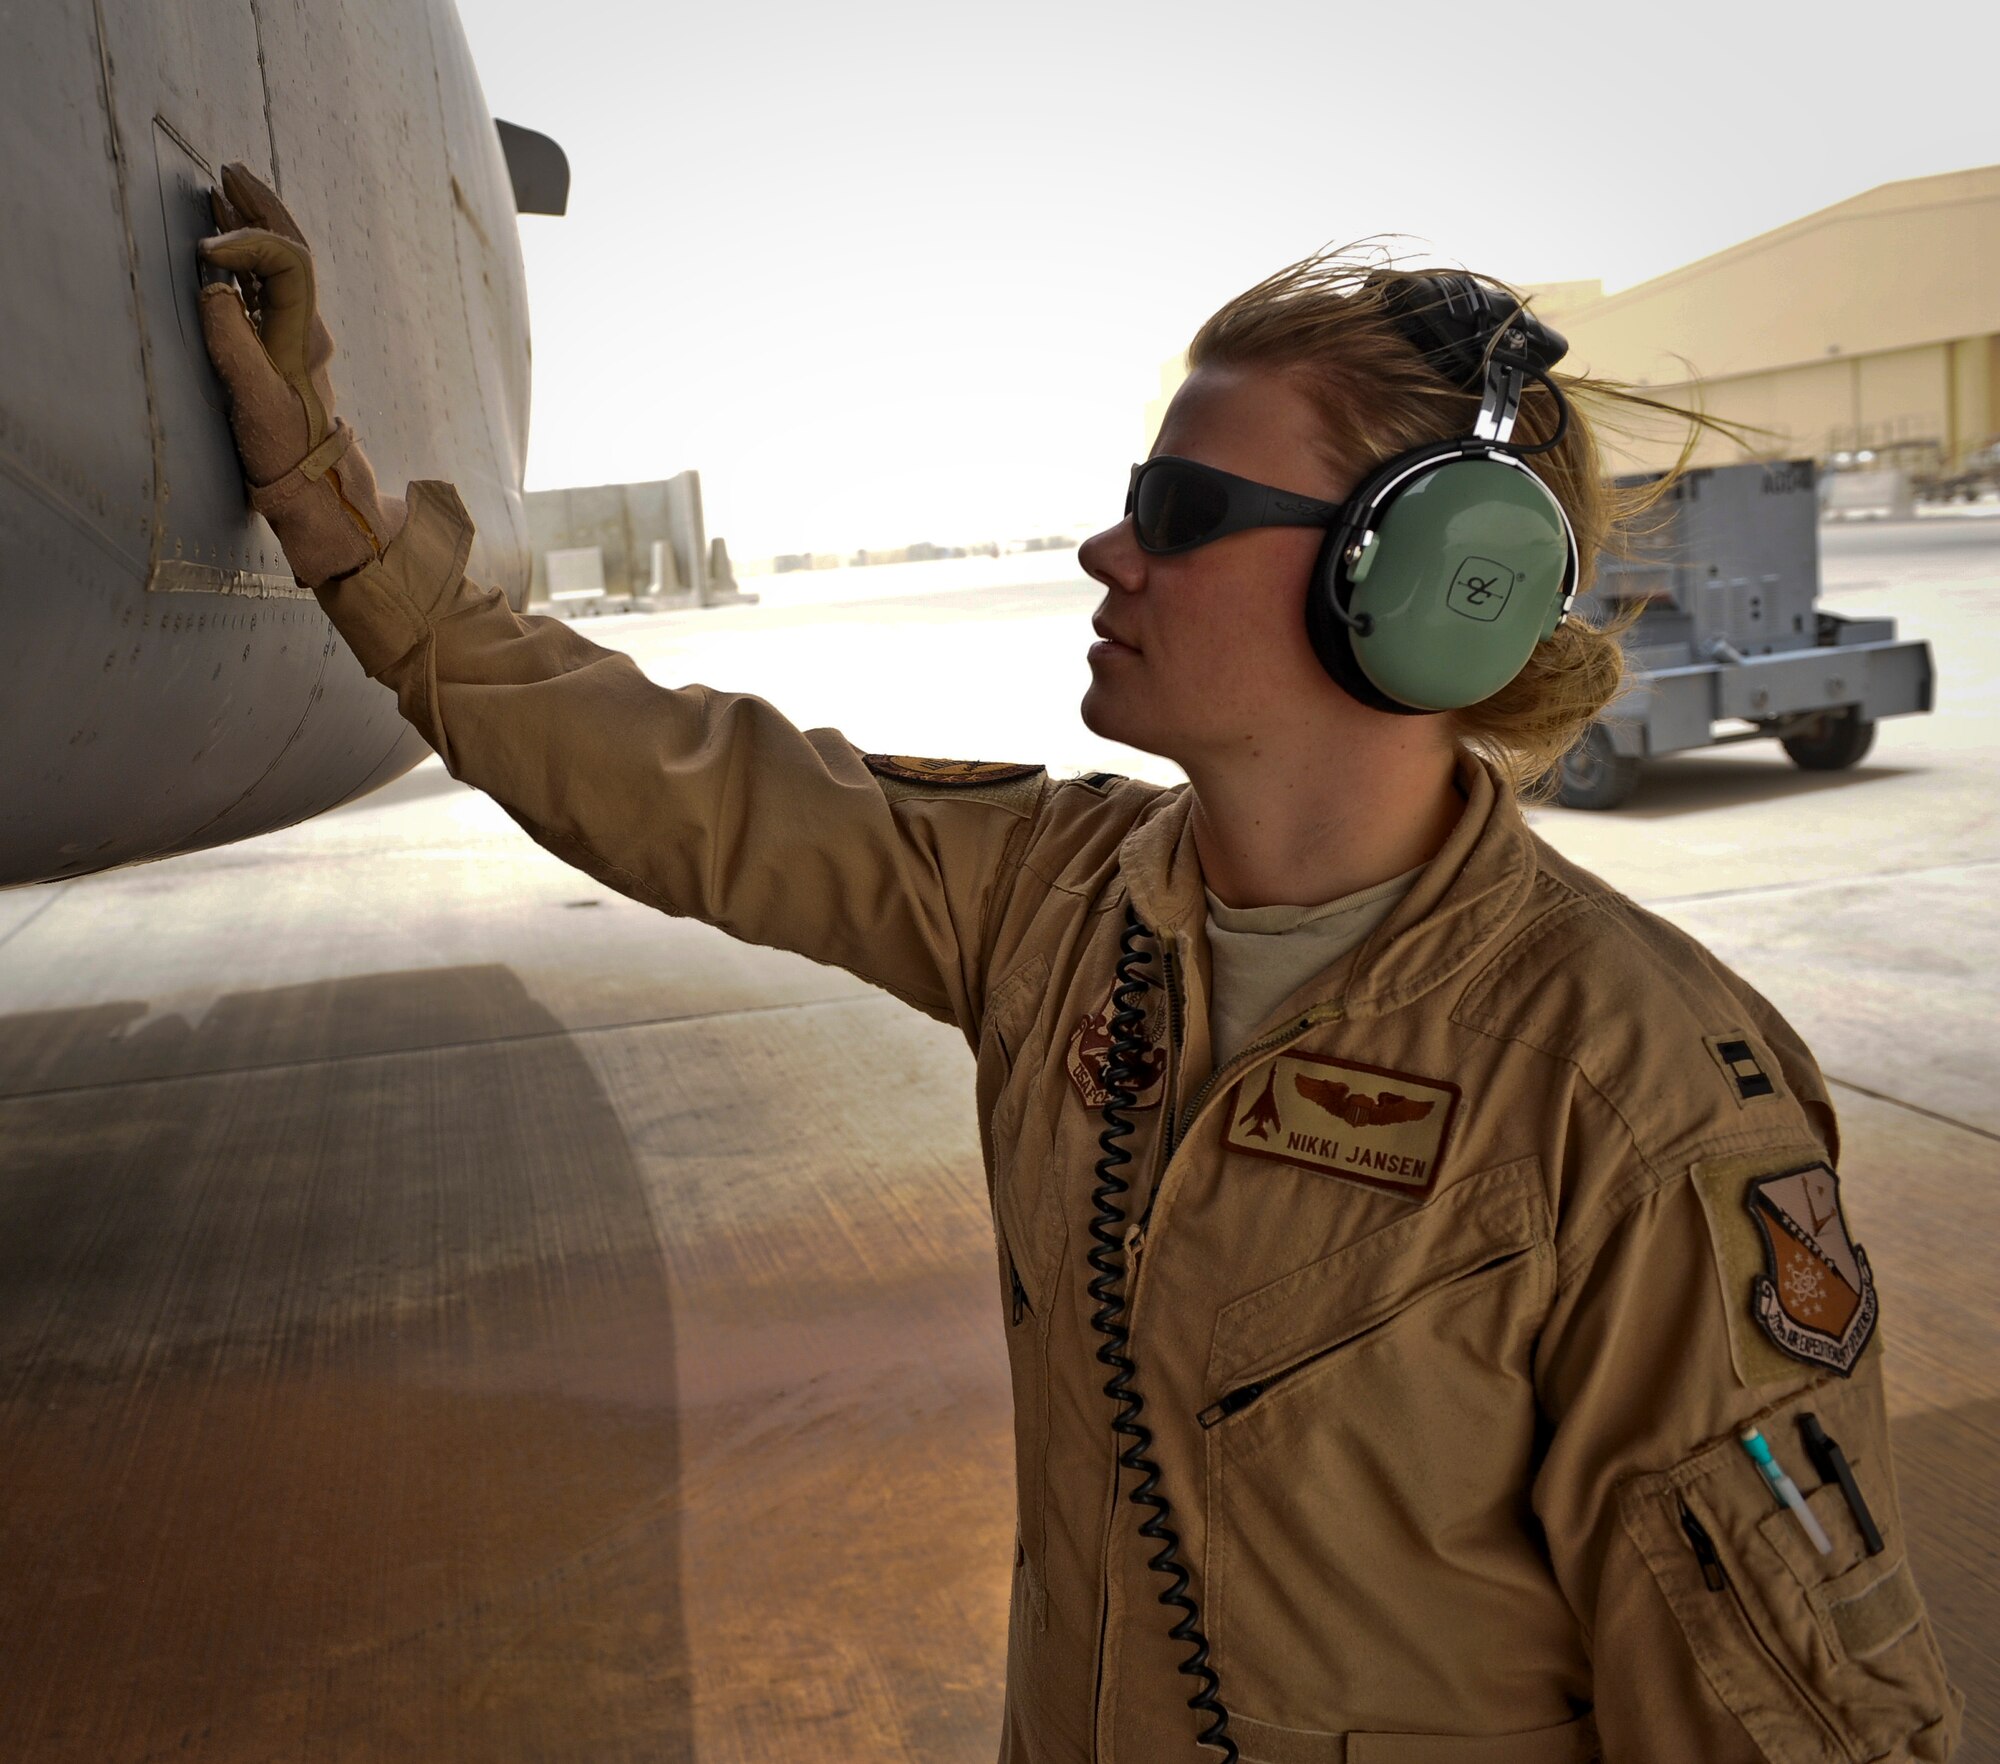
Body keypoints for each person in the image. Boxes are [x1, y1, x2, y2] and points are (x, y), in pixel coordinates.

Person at [197, 163, 1961, 1763]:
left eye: (1181, 510)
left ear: (1423, 587)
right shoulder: (1055, 901)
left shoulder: (1631, 1092)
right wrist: (323, 498)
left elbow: (1784, 1711)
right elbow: (682, 784)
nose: (1108, 548)